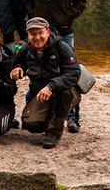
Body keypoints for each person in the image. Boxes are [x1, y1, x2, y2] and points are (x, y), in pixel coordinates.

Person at [23, 0, 87, 133]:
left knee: (70, 73)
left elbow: (81, 1)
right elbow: (26, 0)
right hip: (39, 35)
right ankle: (40, 110)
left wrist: (68, 17)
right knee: (39, 70)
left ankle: (73, 118)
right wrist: (33, 16)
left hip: (64, 32)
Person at [10, 17, 81, 149]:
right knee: (31, 126)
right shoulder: (26, 48)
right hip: (40, 92)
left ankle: (54, 133)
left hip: (64, 91)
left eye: (40, 33)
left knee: (64, 94)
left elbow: (74, 73)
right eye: (32, 34)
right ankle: (49, 119)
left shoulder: (61, 46)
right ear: (28, 35)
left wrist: (51, 86)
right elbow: (15, 63)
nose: (36, 37)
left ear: (48, 31)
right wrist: (17, 68)